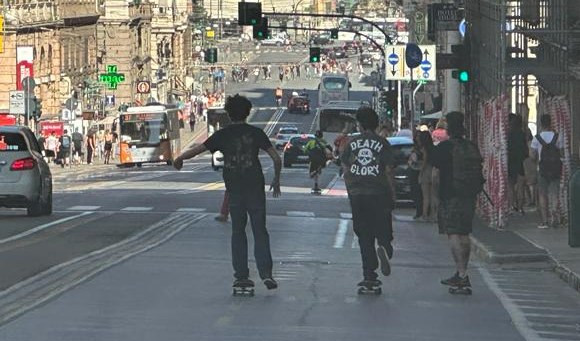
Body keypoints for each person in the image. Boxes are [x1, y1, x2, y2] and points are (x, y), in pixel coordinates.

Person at [173, 94, 282, 291]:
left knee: (238, 231)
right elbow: (276, 158)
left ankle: (241, 275)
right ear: (248, 113)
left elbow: (199, 149)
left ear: (229, 114)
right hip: (255, 186)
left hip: (235, 188)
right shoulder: (256, 133)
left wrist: (180, 158)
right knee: (260, 230)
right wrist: (276, 180)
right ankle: (266, 273)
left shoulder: (223, 134)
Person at [340, 107, 396, 289]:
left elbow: (346, 170)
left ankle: (369, 275)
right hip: (378, 192)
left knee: (364, 236)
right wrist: (392, 194)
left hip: (358, 195)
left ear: (360, 124)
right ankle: (384, 247)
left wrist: (351, 190)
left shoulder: (351, 143)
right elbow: (388, 171)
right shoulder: (383, 143)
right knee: (383, 228)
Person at [431, 111, 484, 293]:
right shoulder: (471, 147)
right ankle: (462, 271)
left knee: (453, 233)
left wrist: (435, 196)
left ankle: (461, 273)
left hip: (450, 194)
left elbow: (435, 174)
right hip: (468, 195)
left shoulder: (444, 148)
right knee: (465, 233)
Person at [530, 114, 563, 228]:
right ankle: (555, 216)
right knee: (554, 194)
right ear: (551, 123)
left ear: (541, 123)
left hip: (542, 169)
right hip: (555, 169)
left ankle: (545, 221)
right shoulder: (558, 137)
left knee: (543, 195)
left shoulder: (537, 138)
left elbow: (532, 156)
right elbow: (561, 153)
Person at [507, 114, 528, 215]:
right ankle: (520, 207)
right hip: (520, 162)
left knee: (510, 185)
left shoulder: (507, 134)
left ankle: (512, 205)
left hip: (509, 162)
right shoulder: (522, 134)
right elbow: (525, 151)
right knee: (521, 186)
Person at [418, 131, 435, 222]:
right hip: (433, 171)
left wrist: (421, 172)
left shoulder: (424, 149)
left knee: (425, 196)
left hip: (426, 172)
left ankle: (424, 215)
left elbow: (424, 161)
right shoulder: (433, 148)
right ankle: (433, 214)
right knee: (433, 195)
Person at [408, 133, 423, 220]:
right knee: (415, 192)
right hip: (414, 171)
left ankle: (420, 211)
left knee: (419, 192)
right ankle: (419, 210)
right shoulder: (415, 149)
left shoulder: (422, 150)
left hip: (418, 171)